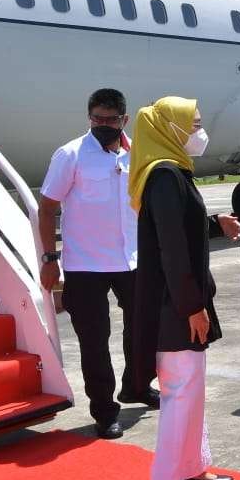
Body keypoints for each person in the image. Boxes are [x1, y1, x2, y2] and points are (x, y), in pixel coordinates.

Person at [129, 96, 240, 480]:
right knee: (180, 390)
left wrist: (216, 224)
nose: (199, 132)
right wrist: (192, 307)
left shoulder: (174, 171)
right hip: (173, 306)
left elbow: (181, 228)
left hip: (181, 301)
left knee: (191, 389)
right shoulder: (163, 176)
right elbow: (172, 249)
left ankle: (192, 465)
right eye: (192, 124)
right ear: (170, 129)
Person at [38, 89, 156, 441]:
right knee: (94, 340)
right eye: (96, 119)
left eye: (110, 120)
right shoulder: (71, 154)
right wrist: (49, 258)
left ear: (125, 119)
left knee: (143, 329)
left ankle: (136, 385)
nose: (103, 125)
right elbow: (47, 208)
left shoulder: (138, 153)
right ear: (89, 117)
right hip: (85, 264)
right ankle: (104, 411)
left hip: (131, 260)